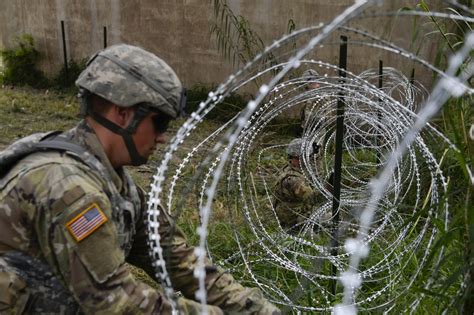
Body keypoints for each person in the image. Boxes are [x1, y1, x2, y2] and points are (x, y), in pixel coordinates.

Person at [0, 44, 279, 314]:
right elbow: (117, 304)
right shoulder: (69, 188)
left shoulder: (118, 187)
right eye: (159, 123)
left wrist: (254, 309)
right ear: (123, 113)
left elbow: (178, 259)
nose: (163, 136)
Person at [273, 138, 320, 230]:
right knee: (331, 218)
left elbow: (316, 171)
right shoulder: (294, 180)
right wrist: (329, 187)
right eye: (305, 157)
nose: (307, 160)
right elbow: (313, 198)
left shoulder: (288, 168)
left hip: (291, 214)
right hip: (295, 220)